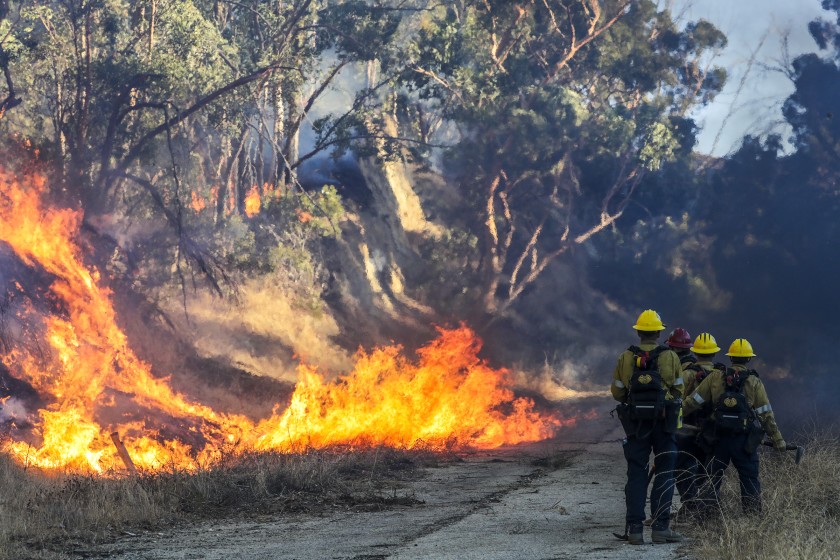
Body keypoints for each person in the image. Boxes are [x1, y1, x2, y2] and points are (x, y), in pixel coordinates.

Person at [682, 338, 785, 515]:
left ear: (730, 358)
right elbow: (765, 414)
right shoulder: (753, 381)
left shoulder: (715, 376)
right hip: (744, 442)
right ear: (748, 359)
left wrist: (673, 416)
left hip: (717, 439)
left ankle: (708, 516)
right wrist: (778, 439)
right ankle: (752, 517)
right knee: (749, 479)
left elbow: (693, 402)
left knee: (711, 478)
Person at [611, 309, 684, 545]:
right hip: (664, 424)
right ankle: (661, 528)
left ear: (640, 332)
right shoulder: (670, 356)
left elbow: (617, 392)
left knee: (636, 474)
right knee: (665, 472)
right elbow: (679, 389)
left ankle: (634, 530)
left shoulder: (625, 357)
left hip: (636, 425)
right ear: (658, 332)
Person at [674, 332, 725, 516]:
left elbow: (678, 401)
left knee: (683, 467)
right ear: (714, 353)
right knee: (707, 468)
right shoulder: (721, 375)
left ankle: (690, 506)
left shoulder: (687, 373)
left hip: (687, 431)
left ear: (695, 352)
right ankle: (707, 508)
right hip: (713, 432)